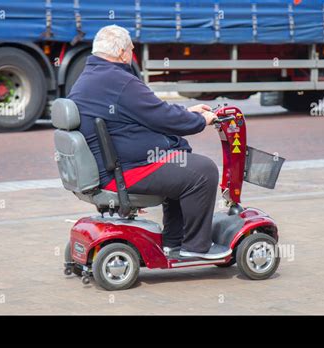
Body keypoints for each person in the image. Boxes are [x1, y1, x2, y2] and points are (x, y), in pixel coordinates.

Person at [68, 25, 232, 260]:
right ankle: (195, 246)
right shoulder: (119, 80)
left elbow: (148, 111)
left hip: (109, 166)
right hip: (123, 173)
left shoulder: (89, 77)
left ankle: (173, 242)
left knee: (180, 158)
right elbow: (160, 115)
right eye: (131, 50)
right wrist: (199, 120)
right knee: (202, 171)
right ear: (122, 52)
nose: (132, 56)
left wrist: (186, 112)